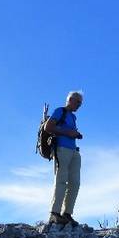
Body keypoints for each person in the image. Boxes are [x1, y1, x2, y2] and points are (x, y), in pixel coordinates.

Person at [45, 91, 83, 226]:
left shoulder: (73, 117)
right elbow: (48, 127)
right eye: (78, 102)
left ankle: (67, 214)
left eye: (80, 103)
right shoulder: (60, 111)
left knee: (75, 182)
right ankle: (54, 214)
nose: (79, 105)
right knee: (61, 180)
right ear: (70, 100)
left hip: (73, 151)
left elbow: (67, 131)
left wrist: (75, 134)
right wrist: (68, 132)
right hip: (61, 149)